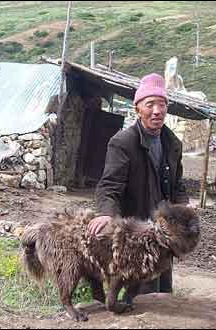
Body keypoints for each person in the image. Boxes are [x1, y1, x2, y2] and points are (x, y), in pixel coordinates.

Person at [88, 72, 192, 298]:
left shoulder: (172, 143)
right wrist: (106, 213)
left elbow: (178, 183)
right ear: (137, 109)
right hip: (136, 234)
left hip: (164, 233)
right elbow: (109, 184)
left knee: (163, 290)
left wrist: (185, 206)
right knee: (140, 293)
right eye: (150, 104)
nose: (157, 111)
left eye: (162, 104)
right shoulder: (123, 142)